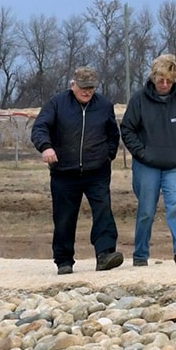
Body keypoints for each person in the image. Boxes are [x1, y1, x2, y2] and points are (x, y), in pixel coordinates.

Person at [30, 66, 122, 275]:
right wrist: (46, 147)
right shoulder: (57, 104)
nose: (87, 91)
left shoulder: (104, 105)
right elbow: (40, 128)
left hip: (97, 170)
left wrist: (108, 156)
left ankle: (105, 254)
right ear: (73, 85)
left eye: (91, 87)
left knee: (103, 211)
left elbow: (112, 134)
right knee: (64, 217)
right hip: (64, 172)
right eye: (83, 87)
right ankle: (64, 261)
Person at [119, 53, 176, 266]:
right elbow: (127, 129)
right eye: (160, 80)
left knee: (175, 206)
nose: (164, 84)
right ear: (153, 78)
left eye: (169, 81)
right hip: (146, 165)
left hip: (174, 164)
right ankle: (140, 255)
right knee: (146, 210)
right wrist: (141, 153)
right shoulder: (139, 100)